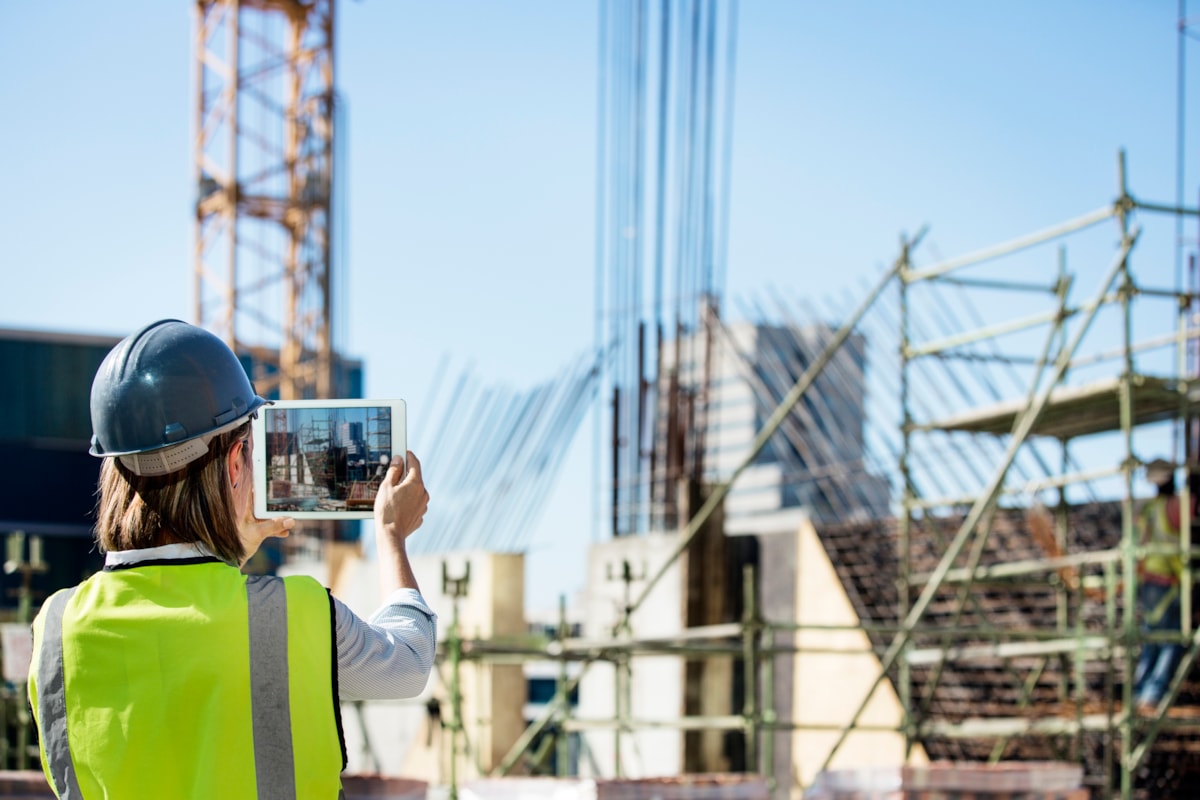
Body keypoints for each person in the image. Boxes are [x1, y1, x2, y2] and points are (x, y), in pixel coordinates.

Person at [28, 319, 436, 798]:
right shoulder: (293, 613)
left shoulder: (56, 625)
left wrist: (230, 550)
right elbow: (407, 663)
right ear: (236, 460)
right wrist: (391, 535)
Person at [1133, 458, 1187, 714]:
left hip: (1148, 580)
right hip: (1170, 581)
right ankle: (1151, 695)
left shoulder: (1148, 510)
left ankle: (1140, 693)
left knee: (1151, 639)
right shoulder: (1176, 506)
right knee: (1171, 640)